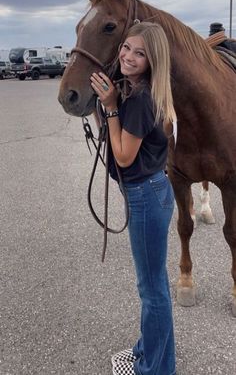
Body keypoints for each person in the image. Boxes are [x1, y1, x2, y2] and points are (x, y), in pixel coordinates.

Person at [90, 22, 176, 375]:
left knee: (151, 288)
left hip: (145, 196)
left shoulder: (139, 99)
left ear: (153, 60)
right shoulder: (145, 90)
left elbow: (124, 156)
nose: (127, 56)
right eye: (126, 47)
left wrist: (110, 107)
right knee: (155, 283)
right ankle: (150, 352)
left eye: (139, 53)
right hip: (153, 191)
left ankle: (157, 369)